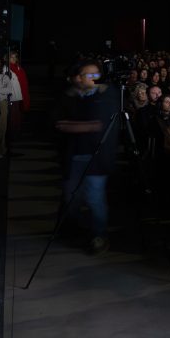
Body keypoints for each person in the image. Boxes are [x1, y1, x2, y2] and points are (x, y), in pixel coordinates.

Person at [54, 60, 118, 254]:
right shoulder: (71, 96)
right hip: (75, 155)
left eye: (94, 74)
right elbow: (56, 121)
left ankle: (99, 235)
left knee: (94, 198)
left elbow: (99, 125)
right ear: (79, 78)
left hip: (96, 157)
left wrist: (72, 126)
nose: (91, 78)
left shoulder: (106, 94)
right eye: (86, 75)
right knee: (71, 197)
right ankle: (81, 228)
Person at [0, 56, 22, 155]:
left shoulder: (4, 76)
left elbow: (8, 90)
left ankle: (1, 149)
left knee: (2, 126)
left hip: (2, 103)